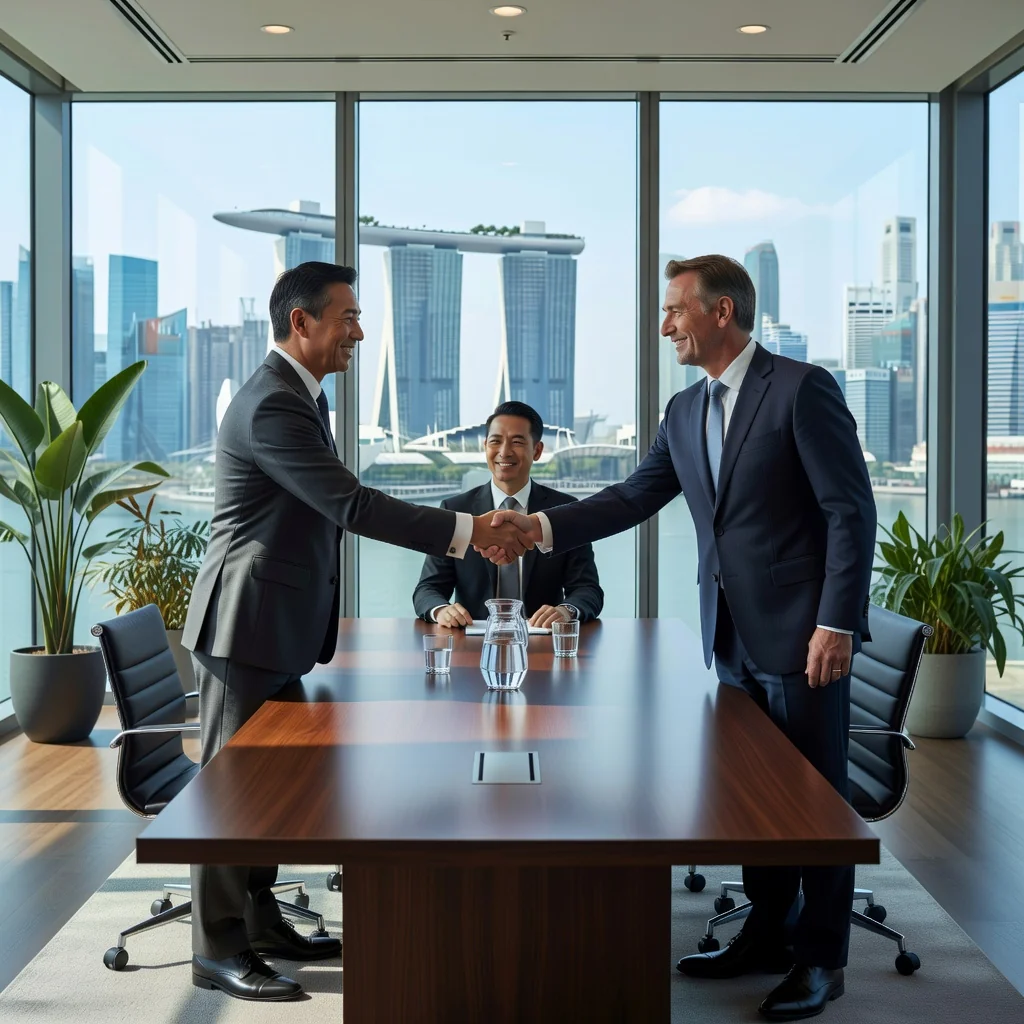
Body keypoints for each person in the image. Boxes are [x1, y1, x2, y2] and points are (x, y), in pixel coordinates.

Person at [487, 255, 876, 1022]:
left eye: (675, 311)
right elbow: (633, 497)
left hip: (803, 639)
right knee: (757, 801)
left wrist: (837, 622)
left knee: (814, 801)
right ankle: (765, 933)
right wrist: (540, 527)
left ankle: (823, 958)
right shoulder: (682, 411)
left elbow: (849, 512)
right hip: (729, 634)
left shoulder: (802, 390)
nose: (664, 325)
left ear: (720, 312)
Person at [181, 262, 531, 1002]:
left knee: (264, 786)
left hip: (275, 621)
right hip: (244, 623)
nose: (360, 333)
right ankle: (215, 949)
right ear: (301, 322)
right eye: (347, 319)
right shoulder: (272, 404)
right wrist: (470, 531)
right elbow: (353, 505)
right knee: (229, 790)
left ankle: (260, 919)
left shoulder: (303, 398)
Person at [413, 400, 603, 628]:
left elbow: (587, 589)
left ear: (537, 450)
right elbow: (428, 588)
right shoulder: (455, 510)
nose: (504, 451)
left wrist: (566, 611)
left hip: (543, 643)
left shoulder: (565, 511)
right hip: (474, 644)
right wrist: (442, 610)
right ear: (485, 446)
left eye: (517, 442)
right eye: (495, 441)